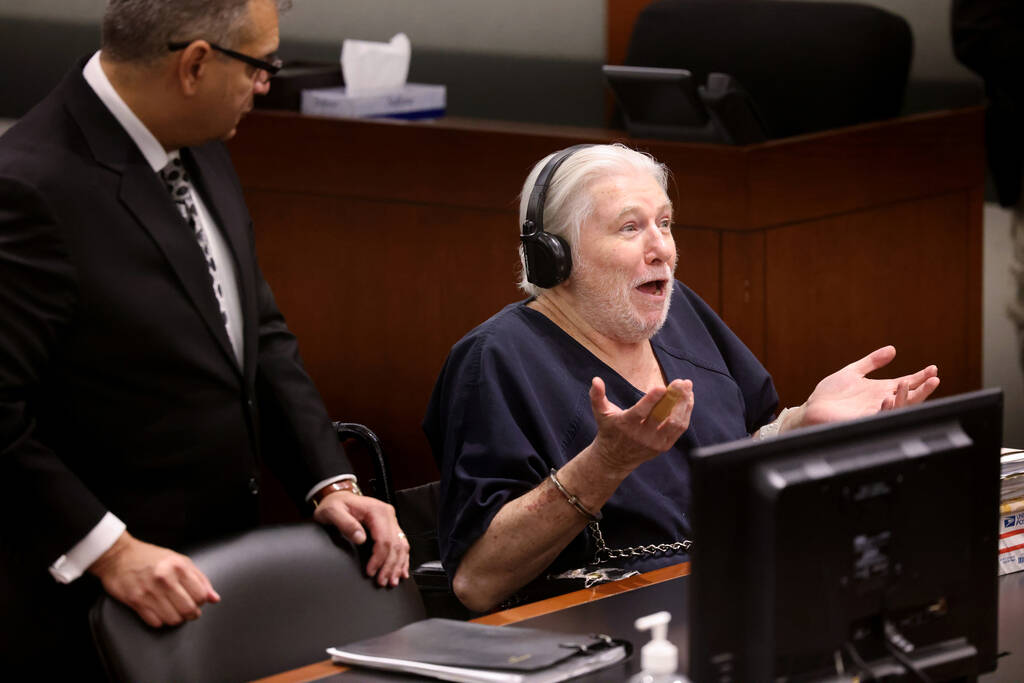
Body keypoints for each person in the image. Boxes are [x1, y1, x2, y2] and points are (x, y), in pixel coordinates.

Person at [0, 0, 408, 671]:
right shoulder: (28, 184)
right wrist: (110, 549)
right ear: (194, 64)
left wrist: (329, 482)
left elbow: (255, 334)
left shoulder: (197, 138)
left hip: (216, 580)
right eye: (262, 67)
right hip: (88, 612)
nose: (266, 86)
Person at [423, 144, 940, 613]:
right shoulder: (495, 358)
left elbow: (741, 449)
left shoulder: (681, 313)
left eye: (665, 223)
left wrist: (804, 422)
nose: (662, 249)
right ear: (554, 254)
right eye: (631, 228)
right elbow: (478, 580)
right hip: (602, 626)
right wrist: (605, 465)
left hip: (730, 596)